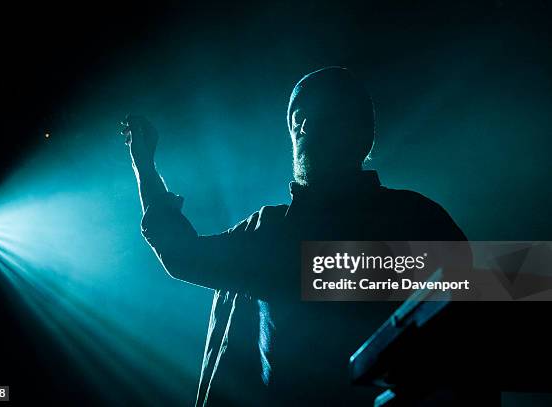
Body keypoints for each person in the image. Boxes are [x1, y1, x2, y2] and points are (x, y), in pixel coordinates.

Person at [122, 67, 468, 406]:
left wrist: (145, 165)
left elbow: (496, 297)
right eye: (296, 118)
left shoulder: (280, 231)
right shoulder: (416, 217)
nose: (302, 125)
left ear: (362, 133)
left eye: (319, 115)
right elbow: (182, 253)